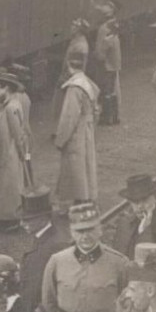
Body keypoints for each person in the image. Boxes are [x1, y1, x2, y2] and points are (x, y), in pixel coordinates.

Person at [53, 48, 101, 208]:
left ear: (68, 65)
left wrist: (60, 139)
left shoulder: (74, 88)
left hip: (77, 131)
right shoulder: (87, 82)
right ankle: (86, 197)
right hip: (87, 128)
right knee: (86, 164)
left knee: (75, 167)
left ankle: (78, 200)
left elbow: (69, 117)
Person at [0, 71, 31, 230]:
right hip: (6, 151)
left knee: (10, 186)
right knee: (8, 186)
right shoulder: (10, 104)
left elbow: (17, 133)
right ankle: (9, 218)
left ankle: (11, 219)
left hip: (9, 152)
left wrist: (22, 154)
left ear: (6, 88)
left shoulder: (10, 107)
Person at [108, 174, 156, 261]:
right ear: (130, 202)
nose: (140, 206)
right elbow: (117, 259)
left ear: (155, 197)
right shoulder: (124, 224)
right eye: (135, 202)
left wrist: (145, 230)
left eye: (145, 200)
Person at [94, 9, 124, 126]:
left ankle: (106, 117)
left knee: (106, 92)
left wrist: (96, 54)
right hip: (114, 67)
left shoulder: (108, 39)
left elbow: (101, 55)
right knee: (112, 92)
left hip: (107, 67)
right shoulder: (116, 38)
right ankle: (115, 116)